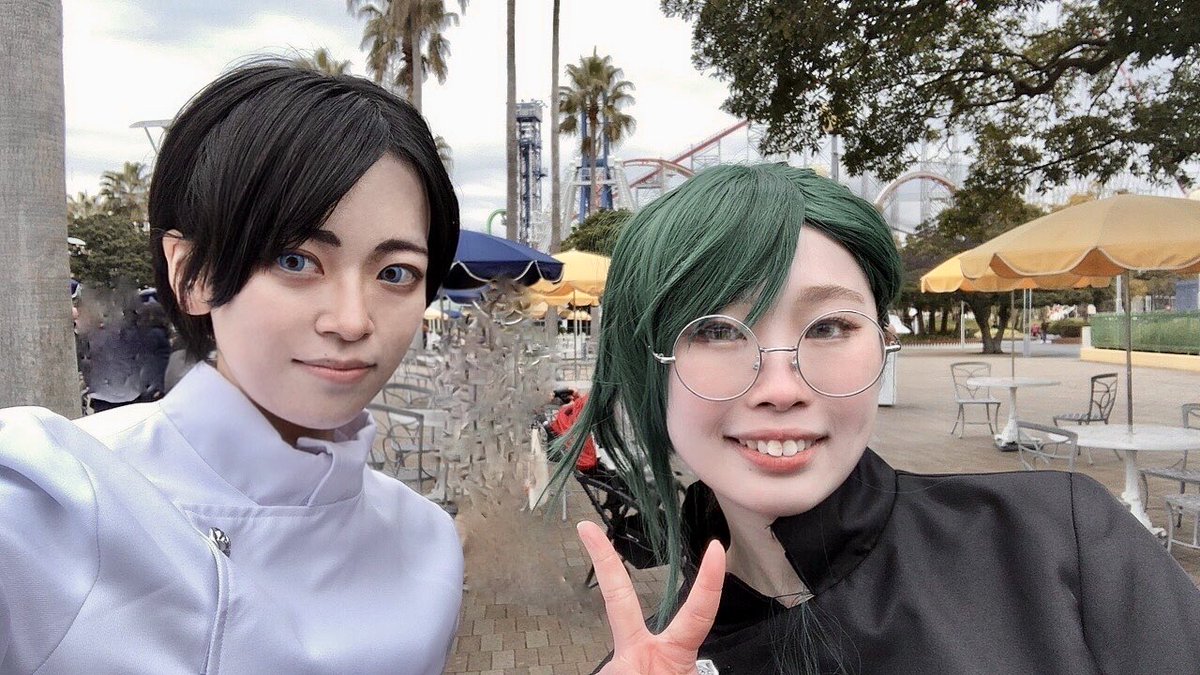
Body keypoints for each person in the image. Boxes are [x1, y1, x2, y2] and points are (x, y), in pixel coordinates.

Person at [562, 163, 1200, 674]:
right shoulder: (655, 663)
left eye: (830, 326)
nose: (780, 389)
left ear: (883, 343)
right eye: (717, 331)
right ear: (646, 367)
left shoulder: (1059, 541)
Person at [0, 62, 462, 673]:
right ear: (190, 274)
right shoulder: (47, 505)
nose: (352, 321)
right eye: (295, 260)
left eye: (395, 273)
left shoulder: (427, 543)